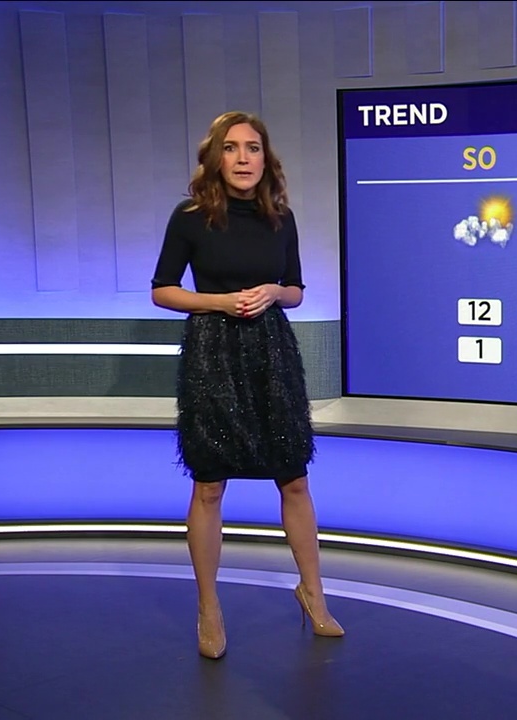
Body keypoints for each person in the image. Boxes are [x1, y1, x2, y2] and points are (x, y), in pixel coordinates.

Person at [151, 111, 344, 660]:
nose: (243, 158)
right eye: (232, 148)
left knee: (295, 479)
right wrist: (218, 301)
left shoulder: (280, 218)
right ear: (216, 158)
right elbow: (163, 290)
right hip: (212, 354)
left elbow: (296, 290)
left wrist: (274, 293)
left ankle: (313, 592)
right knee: (209, 486)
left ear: (265, 158)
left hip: (271, 354)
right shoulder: (190, 218)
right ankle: (208, 607)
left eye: (252, 148)